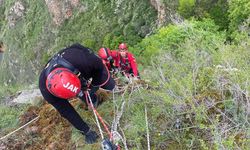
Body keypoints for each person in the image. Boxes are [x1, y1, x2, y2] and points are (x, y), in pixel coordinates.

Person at [39, 43, 115, 144]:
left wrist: (93, 85)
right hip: (67, 71)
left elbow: (99, 67)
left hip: (74, 61)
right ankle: (89, 98)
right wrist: (85, 131)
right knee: (86, 96)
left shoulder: (84, 59)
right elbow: (67, 111)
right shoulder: (46, 91)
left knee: (109, 85)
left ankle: (91, 96)